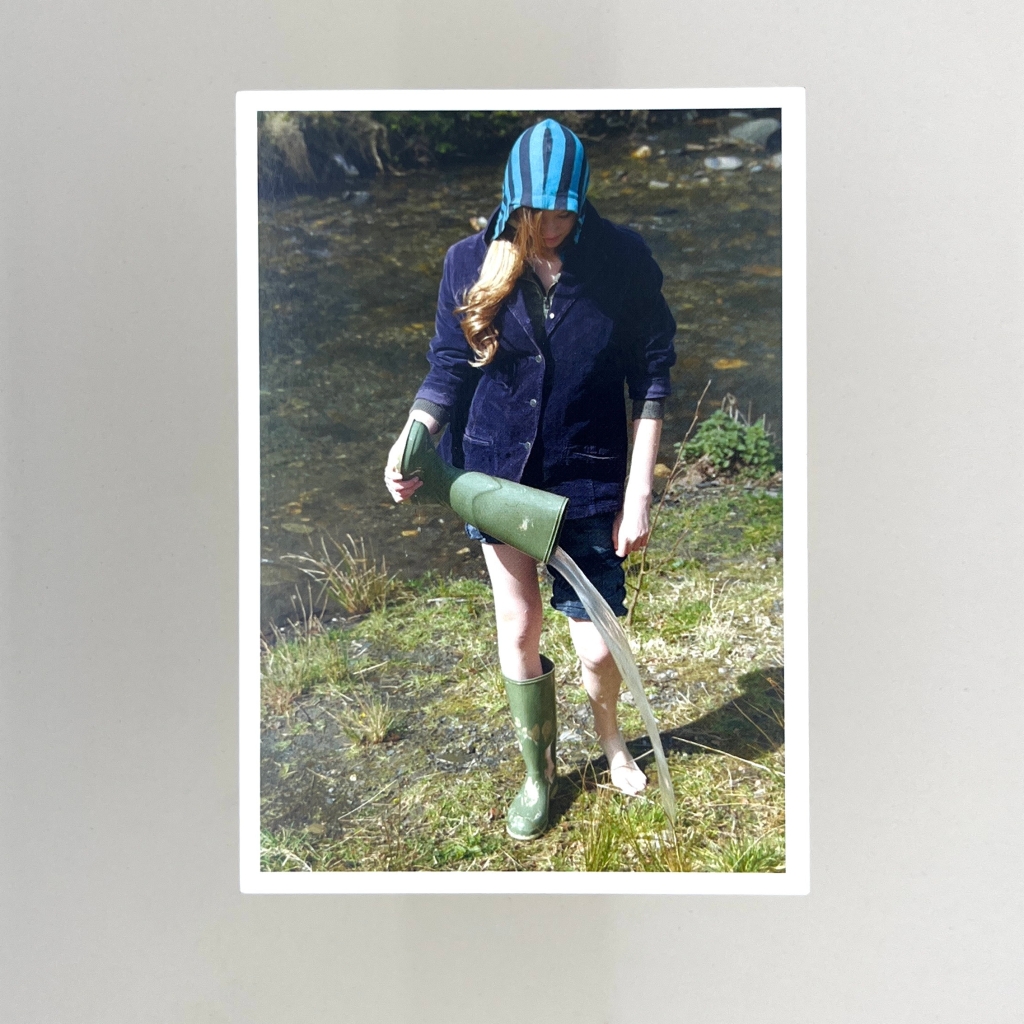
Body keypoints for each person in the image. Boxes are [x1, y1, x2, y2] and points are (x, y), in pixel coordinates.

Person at [385, 118, 677, 841]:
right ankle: (539, 774)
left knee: (598, 644)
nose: (549, 226)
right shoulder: (467, 260)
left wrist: (639, 490)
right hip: (496, 473)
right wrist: (414, 433)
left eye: (562, 210)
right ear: (512, 200)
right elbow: (448, 368)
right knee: (519, 625)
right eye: (534, 212)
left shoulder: (622, 259)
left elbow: (652, 375)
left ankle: (611, 741)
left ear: (583, 197)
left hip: (594, 475)